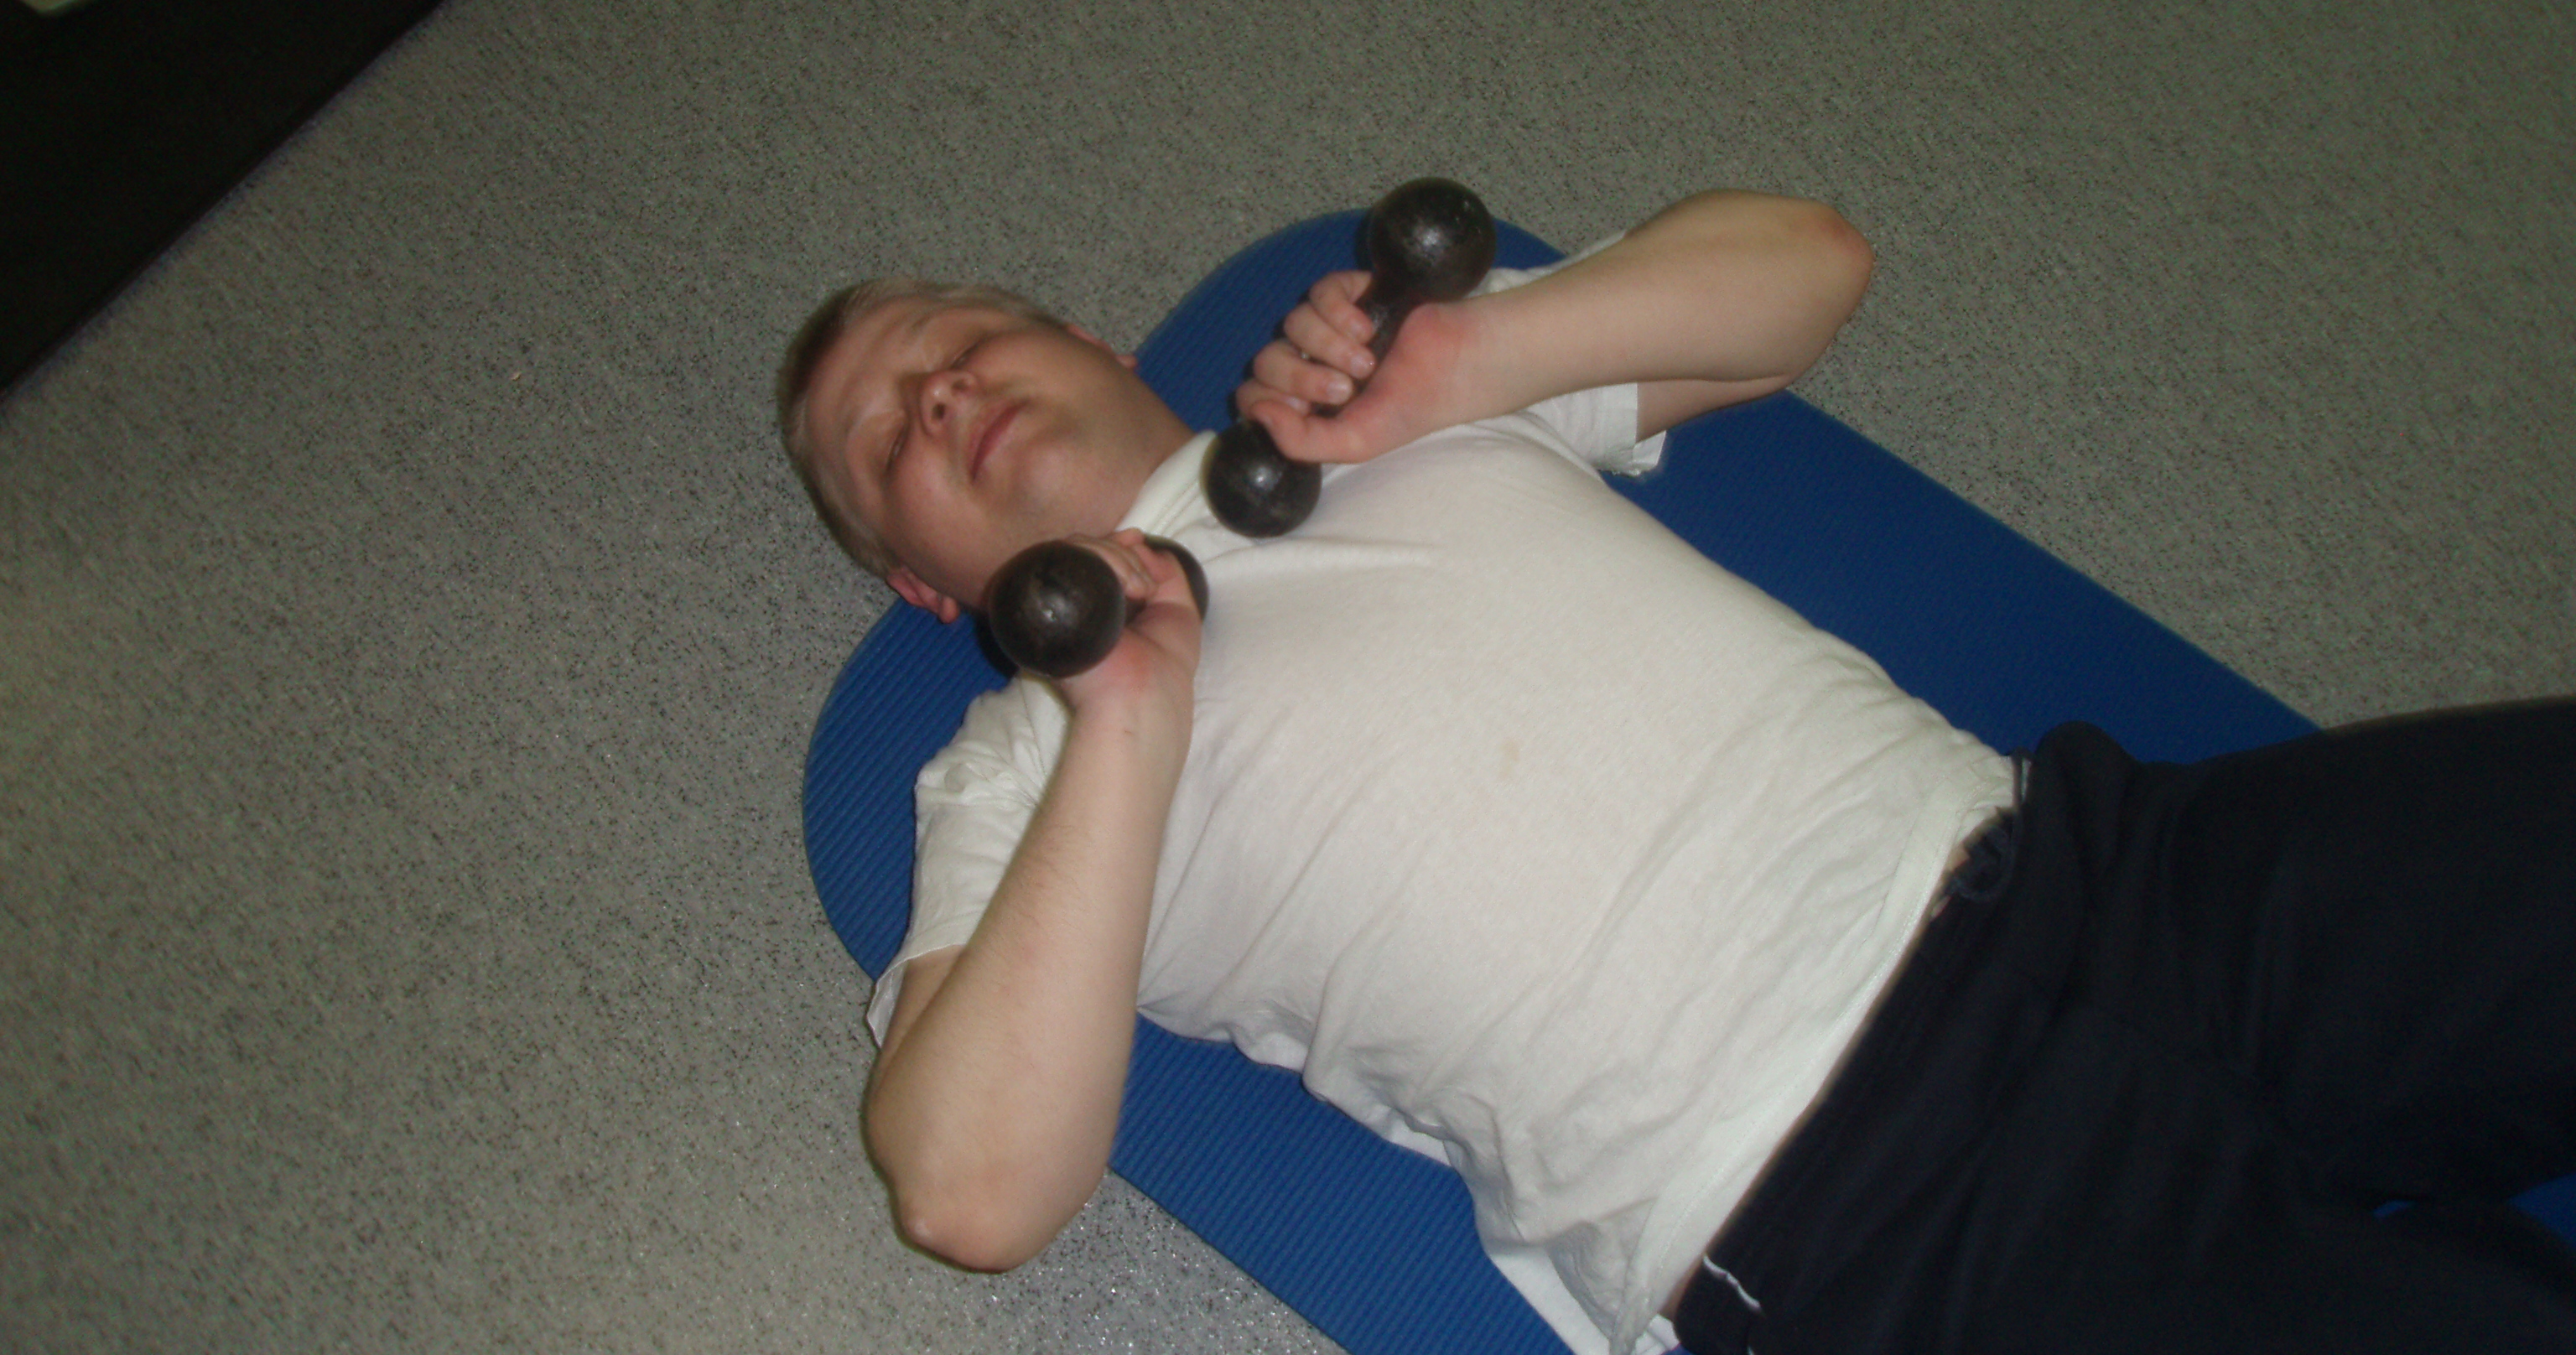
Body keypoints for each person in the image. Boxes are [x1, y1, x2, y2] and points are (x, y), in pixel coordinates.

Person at [777, 189, 2576, 1355]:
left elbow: (1812, 269)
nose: (935, 392)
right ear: (928, 589)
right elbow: (968, 1193)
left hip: (2105, 871)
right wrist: (1127, 718)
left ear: (1097, 347)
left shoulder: (1371, 410)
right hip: (1868, 1214)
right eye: (883, 440)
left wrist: (1480, 354)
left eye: (958, 337)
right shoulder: (1019, 773)